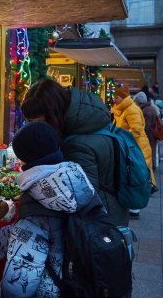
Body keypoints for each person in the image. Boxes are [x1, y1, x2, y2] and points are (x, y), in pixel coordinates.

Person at [1, 121, 96, 298]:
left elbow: (20, 280)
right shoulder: (79, 182)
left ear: (24, 159)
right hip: (85, 283)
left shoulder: (34, 209)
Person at [21, 79, 129, 226]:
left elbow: (80, 199)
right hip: (110, 212)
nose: (32, 126)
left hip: (99, 227)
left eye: (35, 121)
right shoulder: (86, 121)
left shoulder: (77, 143)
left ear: (52, 113)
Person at [112, 87, 155, 220]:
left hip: (136, 147)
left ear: (123, 98)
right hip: (131, 146)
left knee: (135, 177)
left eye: (117, 97)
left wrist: (120, 138)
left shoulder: (131, 109)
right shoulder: (123, 109)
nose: (114, 99)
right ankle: (133, 204)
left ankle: (135, 208)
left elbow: (136, 130)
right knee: (134, 176)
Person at [134, 91, 159, 190]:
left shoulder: (146, 111)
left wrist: (142, 133)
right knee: (152, 151)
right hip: (152, 134)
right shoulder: (151, 108)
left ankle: (150, 172)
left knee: (149, 153)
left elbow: (146, 126)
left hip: (149, 135)